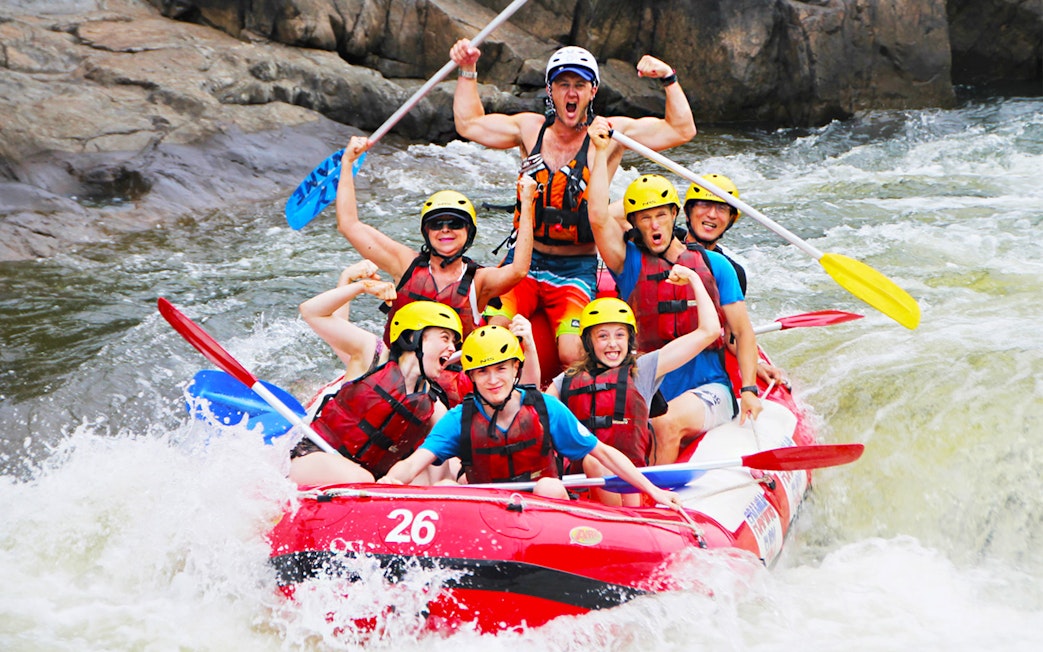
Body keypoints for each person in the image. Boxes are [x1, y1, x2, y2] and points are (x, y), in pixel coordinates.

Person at [449, 40, 696, 367]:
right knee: (496, 334)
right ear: (550, 90)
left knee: (571, 353)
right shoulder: (529, 128)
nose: (571, 93)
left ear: (592, 91)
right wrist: (467, 70)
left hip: (575, 266)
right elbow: (469, 124)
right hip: (523, 260)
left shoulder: (610, 134)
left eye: (579, 85)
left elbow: (681, 129)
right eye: (563, 84)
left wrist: (668, 78)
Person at [584, 118, 764, 465]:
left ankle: (659, 512)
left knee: (664, 422)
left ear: (673, 216)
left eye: (661, 216)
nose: (654, 225)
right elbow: (597, 217)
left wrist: (750, 389)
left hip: (710, 388)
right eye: (645, 218)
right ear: (634, 224)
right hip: (653, 383)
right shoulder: (629, 263)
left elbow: (742, 333)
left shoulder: (715, 266)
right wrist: (600, 153)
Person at [379, 325, 684, 510]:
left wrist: (653, 491)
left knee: (549, 487)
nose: (493, 380)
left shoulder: (544, 409)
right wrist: (390, 482)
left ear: (515, 369)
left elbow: (603, 453)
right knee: (444, 489)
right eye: (483, 372)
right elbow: (414, 462)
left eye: (501, 368)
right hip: (485, 511)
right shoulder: (460, 419)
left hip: (540, 515)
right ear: (471, 376)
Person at [335, 135, 536, 343]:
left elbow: (519, 270)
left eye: (455, 224)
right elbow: (349, 225)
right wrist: (347, 163)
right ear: (426, 232)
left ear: (469, 233)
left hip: (453, 374)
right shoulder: (404, 264)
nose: (445, 230)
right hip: (400, 370)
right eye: (436, 225)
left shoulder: (479, 281)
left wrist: (527, 203)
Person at [546, 289, 720, 506]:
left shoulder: (643, 370)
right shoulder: (567, 380)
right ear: (589, 342)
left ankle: (619, 519)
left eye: (620, 335)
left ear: (630, 339)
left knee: (595, 460)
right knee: (588, 463)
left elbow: (709, 331)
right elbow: (537, 413)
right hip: (581, 487)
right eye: (602, 336)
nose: (612, 344)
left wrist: (693, 279)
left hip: (632, 487)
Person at [288, 300, 463, 486]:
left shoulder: (434, 407)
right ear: (413, 337)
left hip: (369, 481)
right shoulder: (373, 355)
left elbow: (438, 476)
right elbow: (310, 312)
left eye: (454, 342)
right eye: (445, 338)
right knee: (363, 479)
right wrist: (358, 286)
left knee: (444, 470)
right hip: (313, 456)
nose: (452, 348)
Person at [683, 174, 786, 386]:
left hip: (697, 351)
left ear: (731, 220)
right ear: (686, 212)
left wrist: (756, 362)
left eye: (721, 208)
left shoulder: (732, 272)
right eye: (703, 204)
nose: (712, 215)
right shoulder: (662, 242)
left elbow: (733, 335)